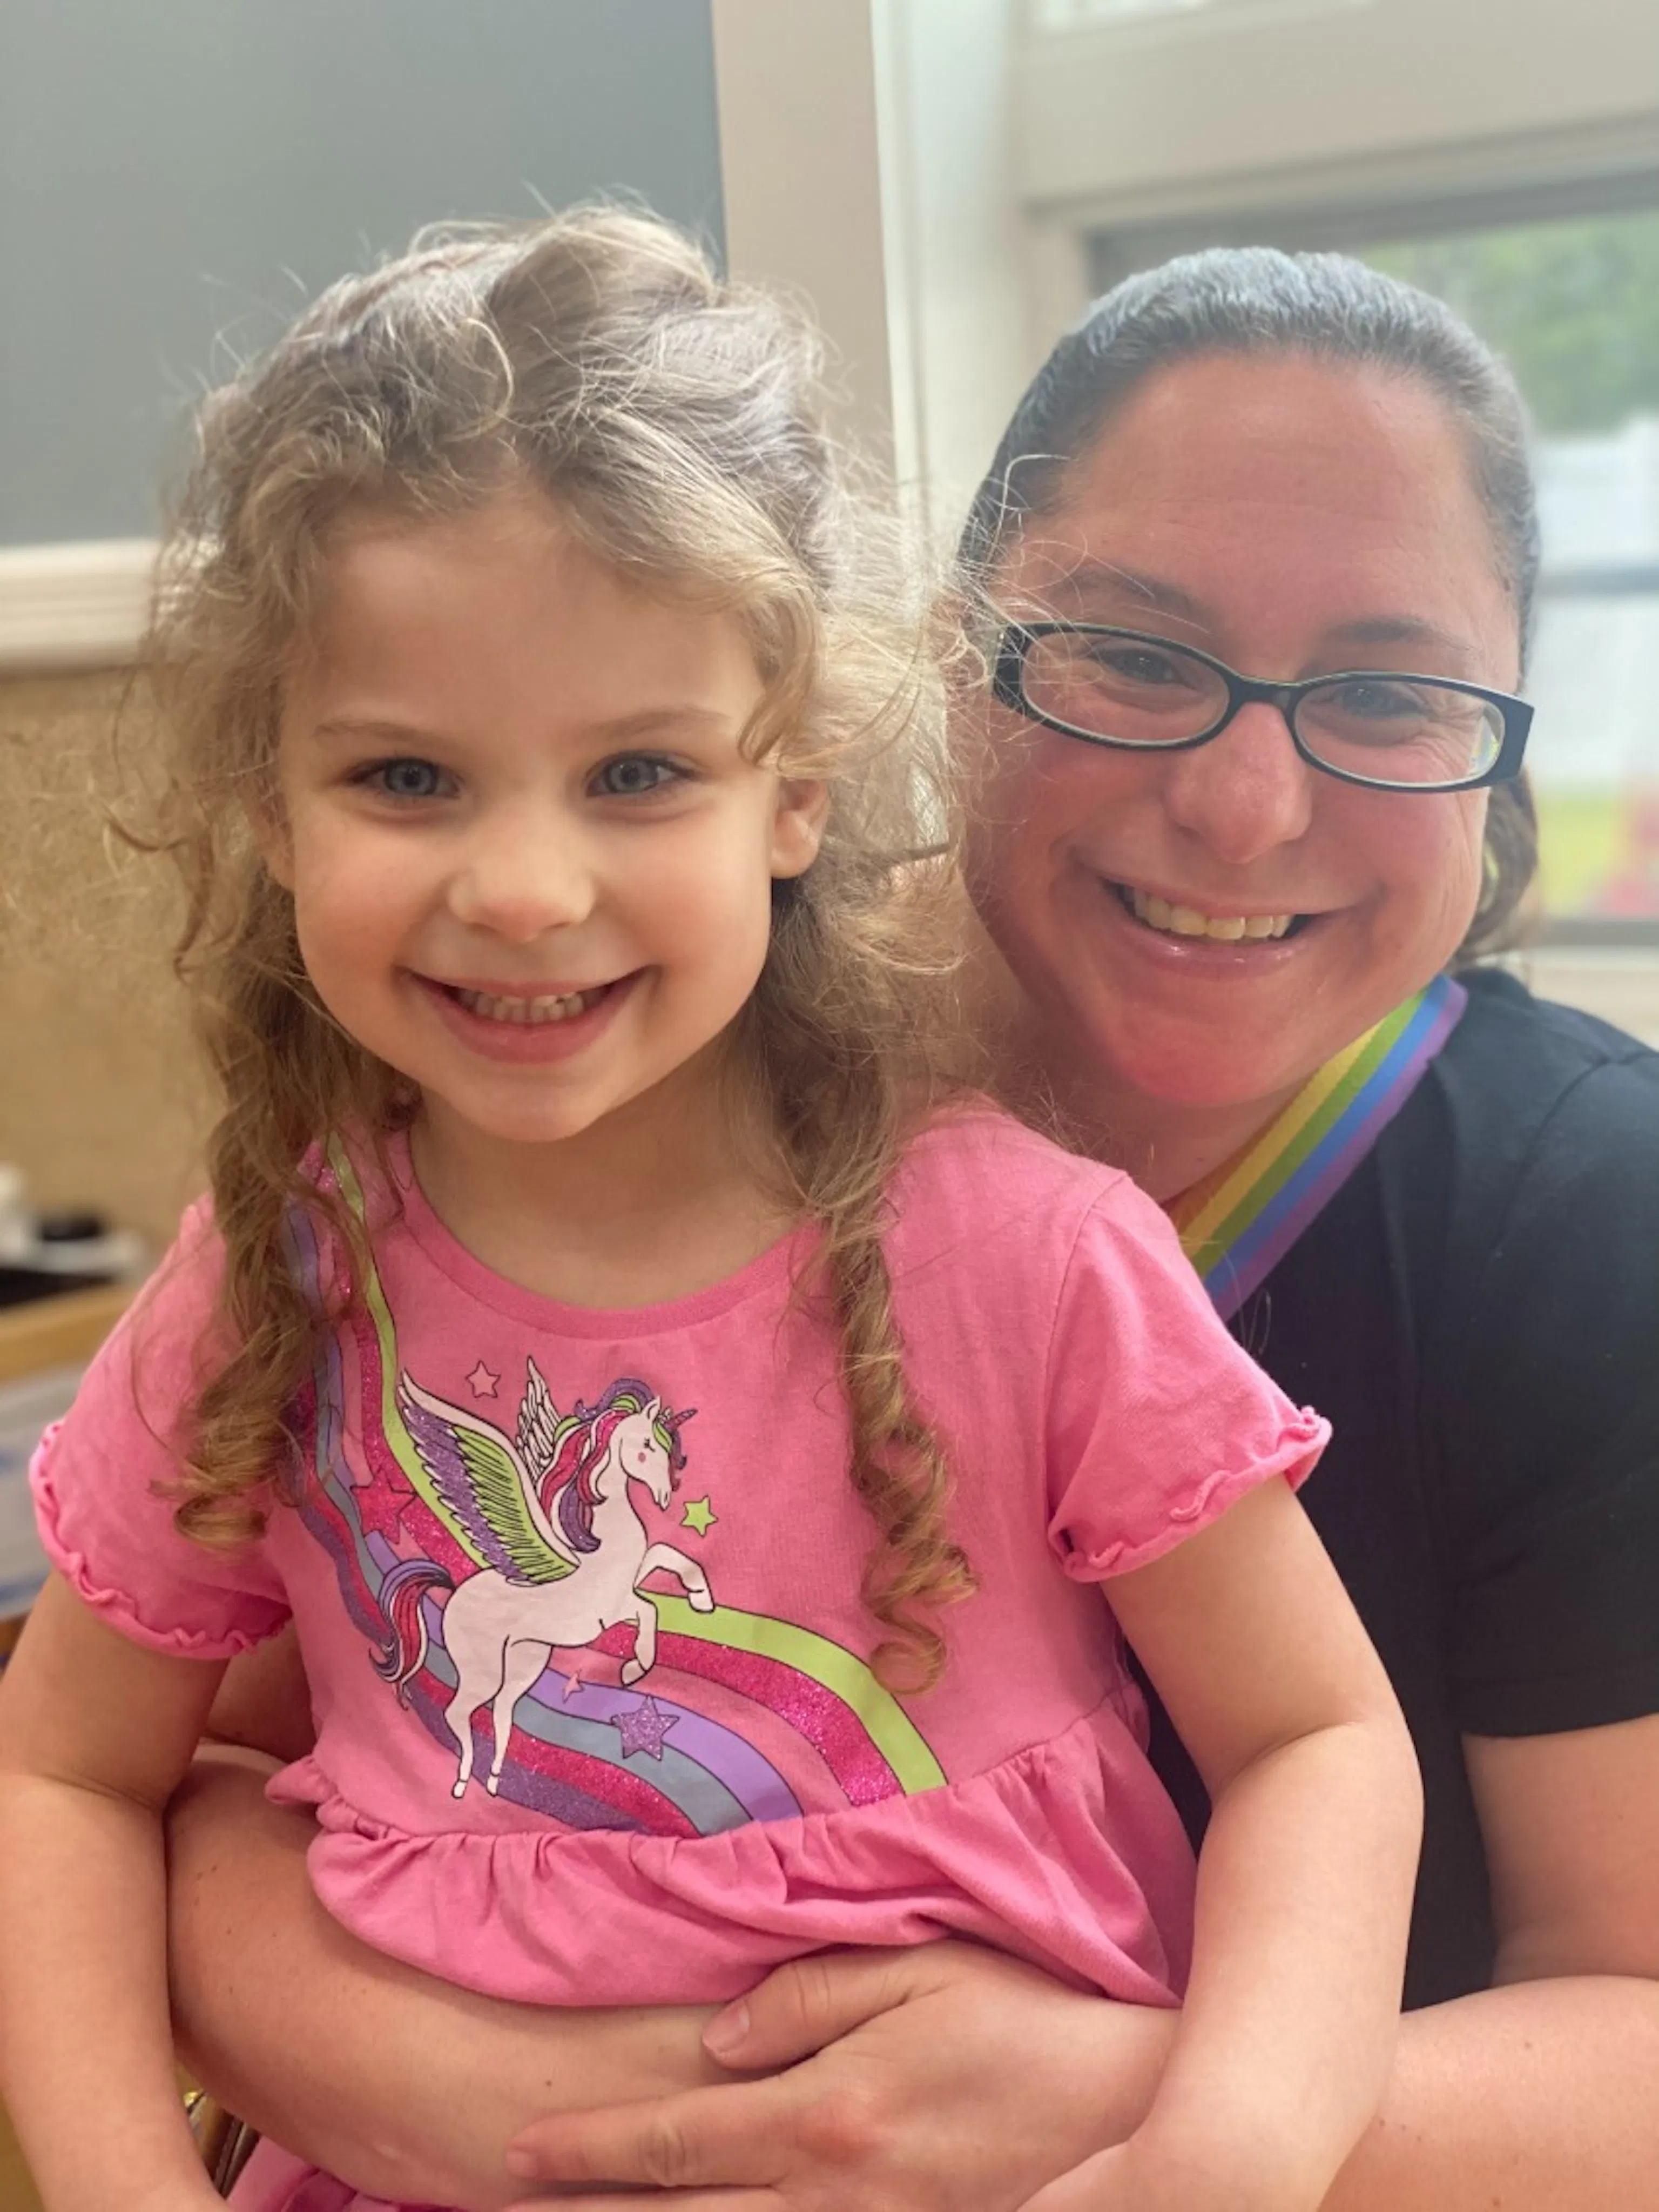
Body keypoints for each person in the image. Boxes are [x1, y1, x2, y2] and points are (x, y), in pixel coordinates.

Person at [164, 246, 1659, 2212]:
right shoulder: (589, 1093)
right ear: (938, 659)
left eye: (1392, 694)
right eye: (1133, 653)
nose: (1244, 804)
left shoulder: (1591, 1219)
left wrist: (1118, 2109)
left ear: (1509, 741)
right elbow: (212, 1749)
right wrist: (447, 2088)